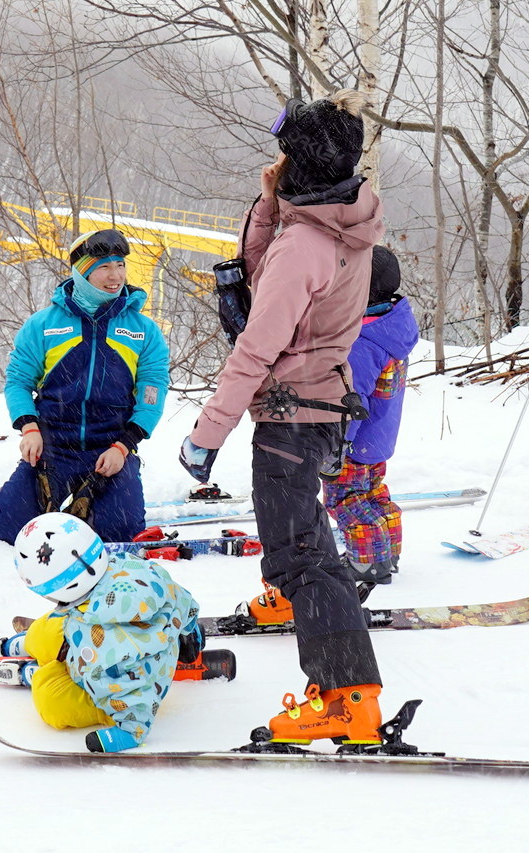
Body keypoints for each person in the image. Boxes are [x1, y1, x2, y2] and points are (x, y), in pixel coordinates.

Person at [179, 90, 392, 746]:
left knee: (300, 553)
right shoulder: (341, 221)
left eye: (284, 154)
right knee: (302, 540)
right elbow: (264, 264)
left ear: (302, 161)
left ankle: (347, 698)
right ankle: (296, 602)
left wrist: (206, 433)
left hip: (292, 413)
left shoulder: (305, 246)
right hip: (319, 405)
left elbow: (256, 346)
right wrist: (273, 201)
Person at [0, 229, 169, 545]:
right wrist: (29, 428)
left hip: (110, 447)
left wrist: (124, 446)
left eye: (120, 265)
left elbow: (152, 392)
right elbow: (17, 382)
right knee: (6, 527)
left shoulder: (143, 330)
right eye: (103, 267)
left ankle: (91, 499)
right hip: (52, 444)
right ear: (82, 272)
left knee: (119, 533)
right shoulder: (43, 324)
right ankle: (14, 498)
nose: (116, 276)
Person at [10, 512, 202, 752]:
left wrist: (130, 731)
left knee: (51, 702)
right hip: (99, 634)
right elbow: (180, 597)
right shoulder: (128, 564)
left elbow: (130, 695)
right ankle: (31, 643)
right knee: (46, 629)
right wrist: (189, 630)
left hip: (129, 684)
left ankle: (37, 672)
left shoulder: (104, 650)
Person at [319, 245, 419, 586]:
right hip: (379, 435)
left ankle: (367, 563)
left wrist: (336, 446)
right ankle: (387, 550)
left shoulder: (362, 341)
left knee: (345, 500)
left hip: (356, 440)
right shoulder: (391, 326)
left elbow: (352, 400)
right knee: (372, 494)